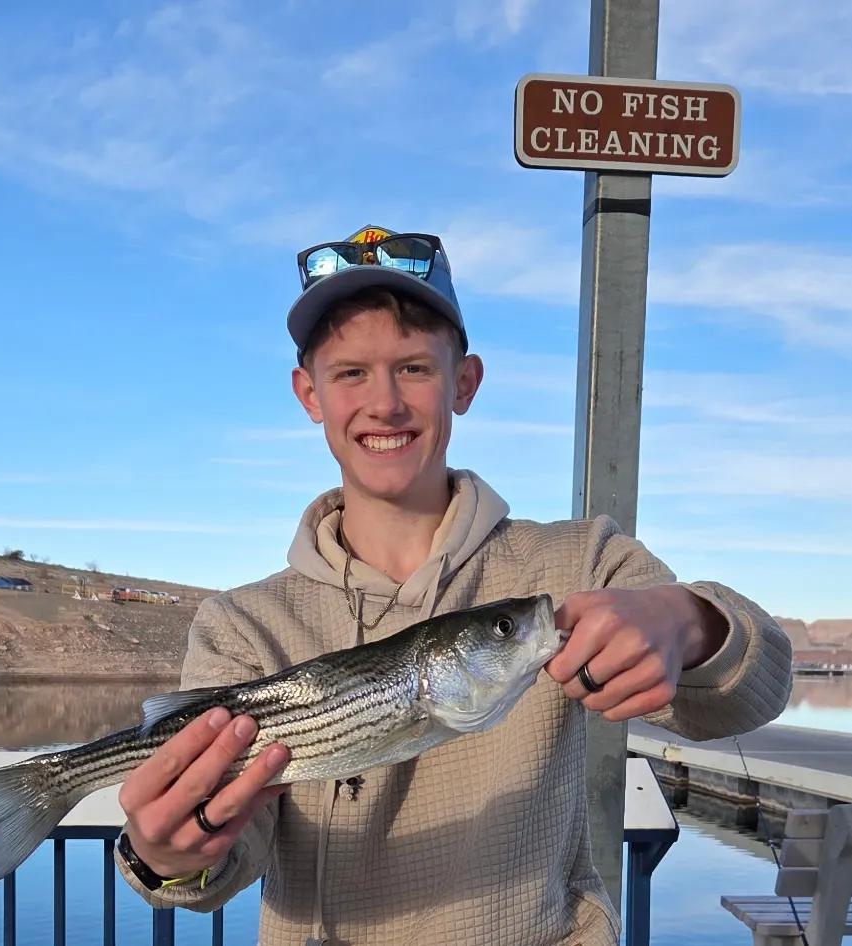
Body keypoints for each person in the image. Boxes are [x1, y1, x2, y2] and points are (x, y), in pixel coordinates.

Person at [113, 225, 794, 946]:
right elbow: (230, 859)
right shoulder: (242, 624)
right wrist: (168, 857)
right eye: (350, 374)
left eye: (414, 369)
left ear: (463, 383)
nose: (385, 404)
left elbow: (757, 686)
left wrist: (686, 622)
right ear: (308, 394)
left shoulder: (574, 566)